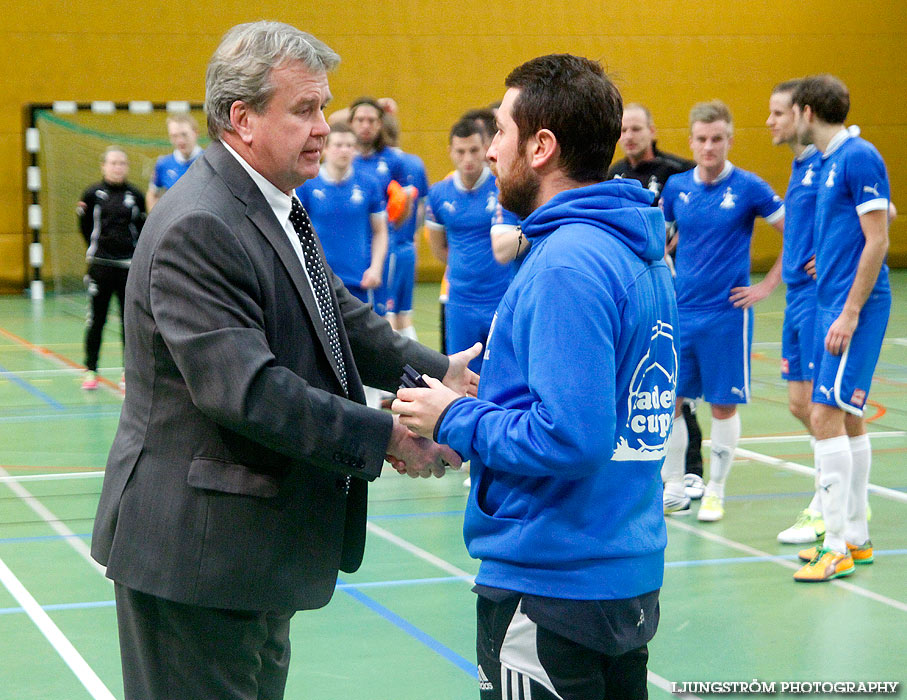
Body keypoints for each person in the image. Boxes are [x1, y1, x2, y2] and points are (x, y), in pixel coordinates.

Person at [90, 22, 477, 700]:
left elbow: (335, 315)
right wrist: (384, 434)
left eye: (322, 107)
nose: (325, 127)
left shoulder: (272, 204)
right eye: (304, 109)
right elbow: (249, 391)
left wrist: (438, 370)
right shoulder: (201, 224)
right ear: (240, 119)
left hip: (249, 553)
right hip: (195, 558)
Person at [394, 53, 678, 700]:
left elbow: (568, 437)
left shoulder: (566, 264)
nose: (491, 150)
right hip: (618, 571)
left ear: (541, 147)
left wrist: (451, 416)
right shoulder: (629, 248)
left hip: (551, 584)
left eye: (499, 131)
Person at [659, 100, 785, 520]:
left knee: (721, 405)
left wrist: (767, 285)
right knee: (671, 399)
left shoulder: (749, 187)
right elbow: (663, 239)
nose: (709, 147)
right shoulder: (677, 187)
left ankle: (716, 489)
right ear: (691, 141)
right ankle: (674, 485)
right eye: (701, 139)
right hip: (681, 311)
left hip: (728, 315)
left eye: (717, 139)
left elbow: (795, 230)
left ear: (729, 140)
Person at [789, 74, 891, 582]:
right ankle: (855, 536)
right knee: (846, 416)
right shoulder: (830, 161)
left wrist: (849, 312)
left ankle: (836, 545)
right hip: (831, 301)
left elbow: (878, 239)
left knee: (823, 413)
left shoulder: (858, 155)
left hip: (856, 307)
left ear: (807, 111)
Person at [608, 103, 706, 500]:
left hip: (677, 285)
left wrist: (677, 239)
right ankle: (651, 464)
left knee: (679, 386)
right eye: (624, 130)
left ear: (651, 130)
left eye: (636, 128)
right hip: (633, 285)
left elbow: (693, 215)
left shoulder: (676, 171)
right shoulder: (613, 173)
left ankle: (693, 468)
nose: (629, 136)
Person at [425, 117, 516, 374]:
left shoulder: (503, 187)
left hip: (501, 298)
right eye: (461, 151)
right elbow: (438, 249)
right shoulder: (439, 194)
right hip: (460, 302)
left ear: (486, 148)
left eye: (474, 150)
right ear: (450, 152)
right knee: (461, 373)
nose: (468, 158)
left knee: (505, 371)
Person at [296, 122, 388, 312]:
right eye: (338, 145)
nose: (344, 151)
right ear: (326, 149)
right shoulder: (306, 185)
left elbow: (380, 231)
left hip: (359, 281)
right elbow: (297, 233)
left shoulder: (369, 184)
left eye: (349, 146)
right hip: (320, 281)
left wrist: (376, 268)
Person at [76, 146, 146, 390]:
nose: (118, 167)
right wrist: (98, 251)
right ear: (103, 166)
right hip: (101, 267)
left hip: (128, 267)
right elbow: (85, 227)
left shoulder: (135, 195)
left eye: (122, 163)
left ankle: (129, 372)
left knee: (130, 321)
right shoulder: (92, 194)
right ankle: (91, 370)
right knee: (96, 319)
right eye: (113, 163)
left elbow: (142, 227)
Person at [382, 112, 429, 340]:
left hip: (389, 249)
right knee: (403, 315)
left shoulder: (382, 165)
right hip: (407, 247)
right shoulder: (415, 163)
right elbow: (420, 210)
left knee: (386, 316)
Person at [145, 113, 203, 211]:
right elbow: (152, 194)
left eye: (184, 134)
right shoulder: (163, 164)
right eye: (174, 136)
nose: (180, 140)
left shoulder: (209, 161)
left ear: (195, 133)